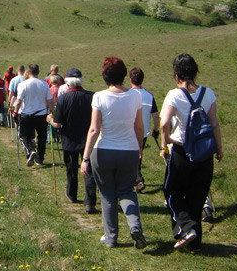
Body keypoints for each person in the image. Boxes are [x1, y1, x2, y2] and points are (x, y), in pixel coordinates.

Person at [80, 57, 147, 250]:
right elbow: (139, 127)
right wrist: (139, 149)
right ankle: (135, 227)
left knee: (107, 195)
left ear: (105, 76)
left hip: (103, 152)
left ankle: (111, 237)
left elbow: (94, 130)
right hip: (129, 150)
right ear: (124, 75)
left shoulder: (99, 97)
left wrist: (85, 158)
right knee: (127, 191)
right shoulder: (136, 96)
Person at [159, 53, 223, 253]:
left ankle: (186, 228)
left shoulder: (174, 95)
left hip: (181, 151)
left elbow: (163, 123)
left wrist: (165, 144)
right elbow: (214, 124)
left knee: (172, 192)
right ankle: (195, 245)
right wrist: (219, 149)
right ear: (195, 72)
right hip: (204, 153)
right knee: (197, 197)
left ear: (176, 74)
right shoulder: (208, 93)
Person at [47, 68, 98, 214]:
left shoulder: (63, 99)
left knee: (71, 169)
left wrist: (49, 119)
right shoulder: (91, 96)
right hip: (88, 138)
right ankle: (90, 201)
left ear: (67, 82)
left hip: (69, 138)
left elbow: (57, 123)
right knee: (88, 169)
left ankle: (72, 193)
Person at [14, 63, 54, 167]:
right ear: (38, 72)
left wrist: (15, 113)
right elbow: (50, 101)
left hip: (27, 114)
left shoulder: (23, 84)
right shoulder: (44, 84)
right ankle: (40, 159)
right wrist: (54, 113)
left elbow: (18, 101)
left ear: (28, 72)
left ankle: (30, 150)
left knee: (23, 134)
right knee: (42, 137)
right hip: (41, 114)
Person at [129, 67, 160, 193]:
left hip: (129, 130)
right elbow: (156, 115)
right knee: (139, 155)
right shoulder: (149, 96)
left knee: (132, 155)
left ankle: (137, 179)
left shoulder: (127, 94)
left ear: (131, 80)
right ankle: (136, 179)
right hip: (144, 130)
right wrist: (156, 129)